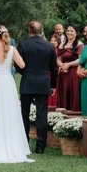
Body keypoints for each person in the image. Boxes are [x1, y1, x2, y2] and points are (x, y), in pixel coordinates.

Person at [0, 25, 33, 163]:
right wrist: (9, 63)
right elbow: (22, 65)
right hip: (7, 82)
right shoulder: (12, 49)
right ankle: (13, 143)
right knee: (10, 112)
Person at [17, 20, 58, 154]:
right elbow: (54, 68)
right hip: (43, 81)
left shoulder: (23, 44)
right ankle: (40, 145)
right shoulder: (50, 46)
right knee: (41, 114)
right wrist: (53, 85)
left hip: (28, 81)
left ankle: (24, 143)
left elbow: (18, 65)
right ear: (42, 31)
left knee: (24, 113)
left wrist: (26, 73)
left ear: (30, 31)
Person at [55, 24, 82, 112]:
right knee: (63, 93)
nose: (69, 33)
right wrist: (61, 65)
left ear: (76, 33)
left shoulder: (79, 44)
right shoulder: (62, 45)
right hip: (63, 73)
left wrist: (69, 64)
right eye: (68, 31)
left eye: (72, 31)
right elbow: (58, 58)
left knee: (73, 93)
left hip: (73, 73)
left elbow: (80, 59)